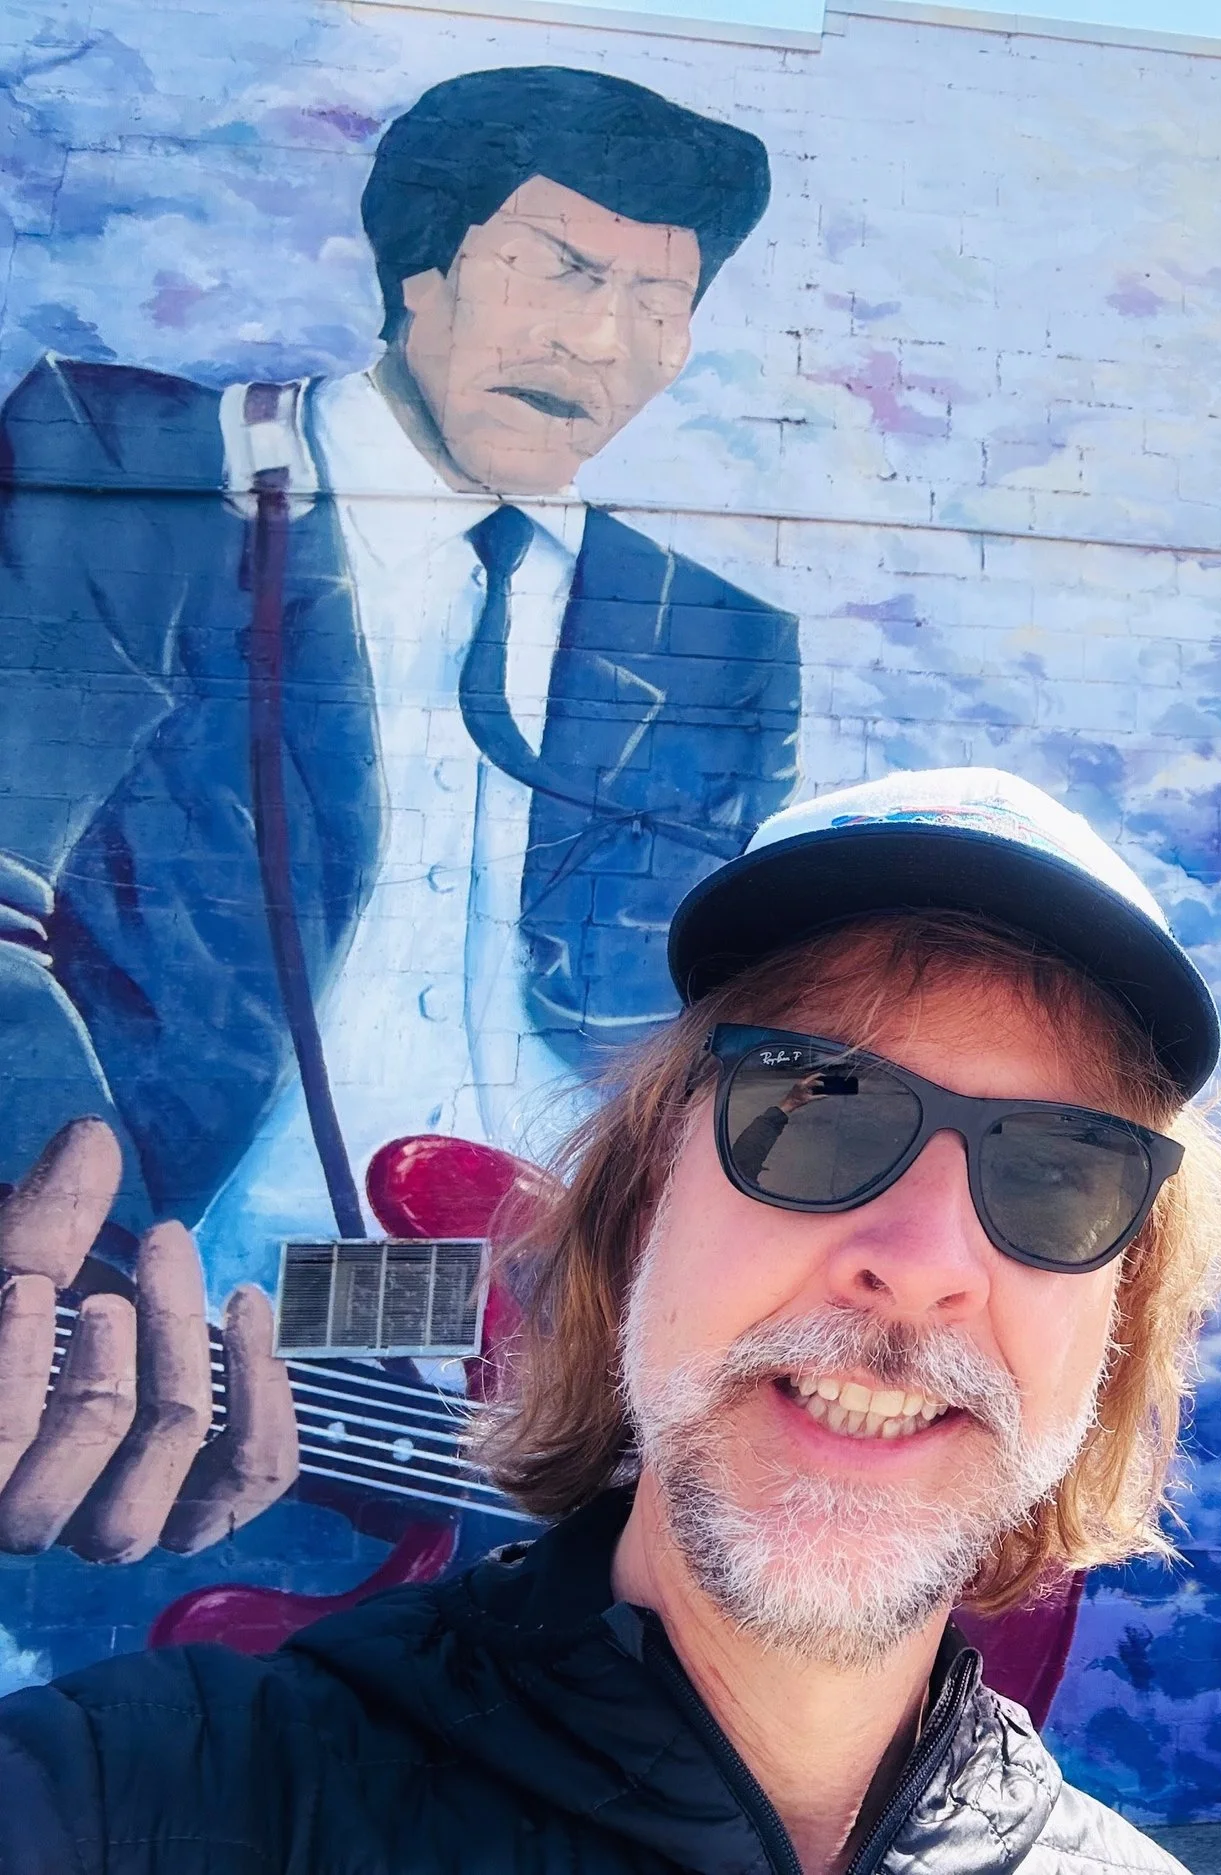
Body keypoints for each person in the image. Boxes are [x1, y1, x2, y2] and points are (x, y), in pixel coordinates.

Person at [0, 766, 1221, 1873]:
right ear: (650, 1188)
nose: (923, 1267)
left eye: (1060, 1171)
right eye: (816, 1112)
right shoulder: (150, 1800)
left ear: (1117, 1314)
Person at [0, 66, 799, 1561]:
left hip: (537, 1378)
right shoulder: (135, 465)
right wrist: (75, 1275)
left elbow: (702, 1031)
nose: (598, 339)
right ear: (419, 271)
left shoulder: (717, 638)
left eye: (655, 301)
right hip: (171, 1335)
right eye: (558, 269)